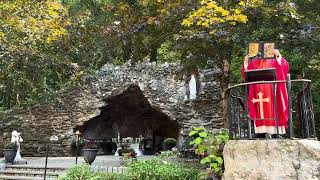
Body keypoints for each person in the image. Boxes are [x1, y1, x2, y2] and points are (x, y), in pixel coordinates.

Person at [241, 49, 289, 138]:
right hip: (257, 92)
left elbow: (284, 68)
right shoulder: (253, 63)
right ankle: (262, 132)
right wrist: (246, 62)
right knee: (259, 111)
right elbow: (246, 75)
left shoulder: (274, 61)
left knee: (275, 109)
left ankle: (276, 132)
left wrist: (278, 56)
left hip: (272, 92)